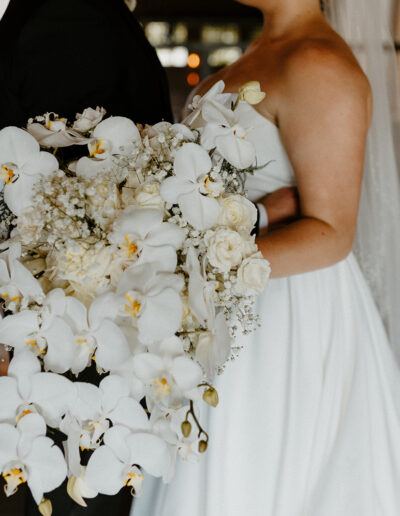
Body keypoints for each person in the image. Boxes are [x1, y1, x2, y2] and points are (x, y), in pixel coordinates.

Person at [131, 0, 400, 515]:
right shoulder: (258, 53)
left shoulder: (317, 63)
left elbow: (331, 232)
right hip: (226, 308)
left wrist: (201, 271)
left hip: (281, 318)